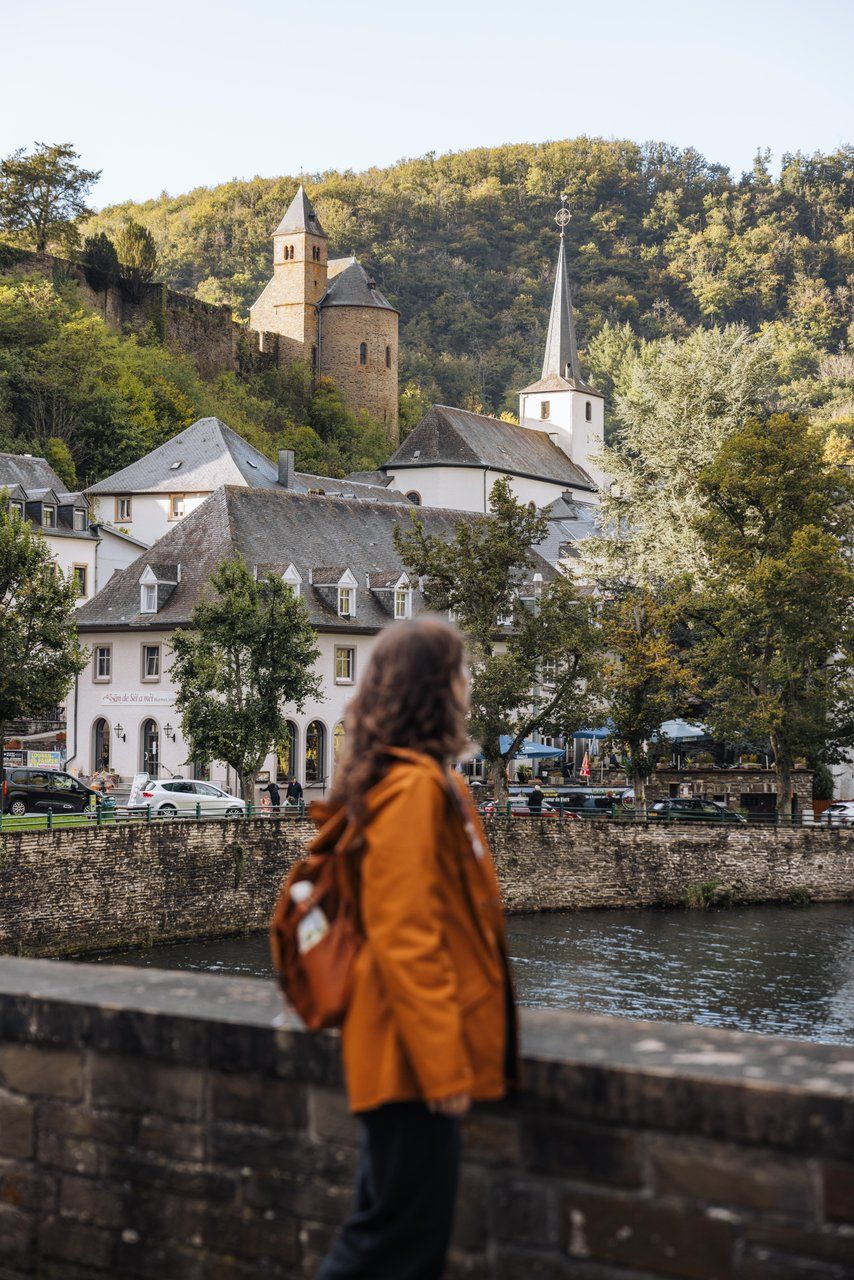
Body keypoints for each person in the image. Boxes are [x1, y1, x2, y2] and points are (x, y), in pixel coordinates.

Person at [313, 617, 518, 1280]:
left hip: (400, 1057)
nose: (466, 687)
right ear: (436, 688)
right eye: (459, 673)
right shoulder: (414, 789)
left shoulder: (415, 781)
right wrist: (443, 1068)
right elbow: (405, 933)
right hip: (407, 1062)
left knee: (391, 1239)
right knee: (393, 1247)